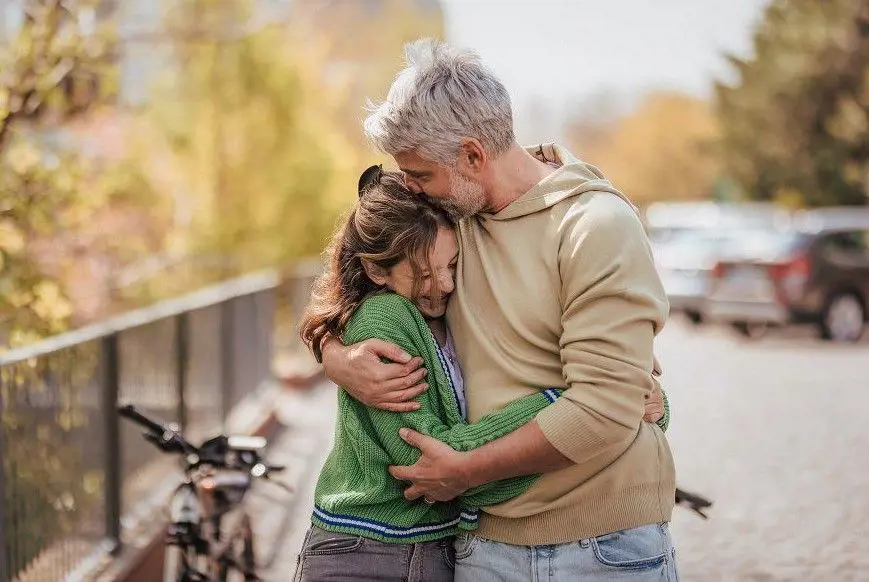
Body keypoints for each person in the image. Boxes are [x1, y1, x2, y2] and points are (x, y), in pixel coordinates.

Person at [319, 38, 679, 581]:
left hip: (603, 548)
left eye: (420, 175)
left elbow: (605, 411)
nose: (411, 190)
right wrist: (333, 353)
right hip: (483, 547)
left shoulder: (594, 227)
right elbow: (353, 272)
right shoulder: (444, 223)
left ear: (471, 156)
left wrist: (464, 469)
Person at [294, 167, 573, 582]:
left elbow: (459, 466)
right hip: (366, 552)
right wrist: (566, 406)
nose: (443, 284)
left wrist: (609, 402)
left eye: (451, 265)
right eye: (423, 274)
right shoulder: (385, 318)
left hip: (430, 548)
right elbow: (427, 460)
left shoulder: (451, 310)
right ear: (377, 272)